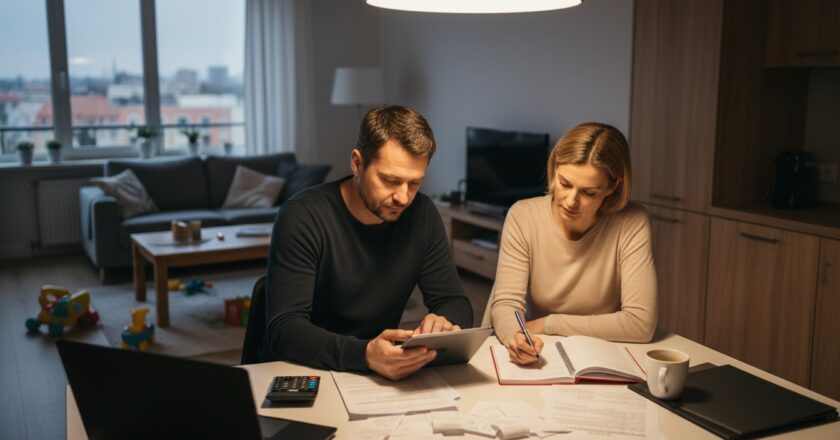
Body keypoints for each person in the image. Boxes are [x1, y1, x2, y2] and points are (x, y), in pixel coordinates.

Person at [259, 105, 473, 380]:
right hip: (304, 370)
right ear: (357, 163)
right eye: (390, 180)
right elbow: (284, 331)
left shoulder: (422, 214)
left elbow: (455, 301)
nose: (403, 198)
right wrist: (365, 355)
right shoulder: (303, 216)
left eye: (414, 183)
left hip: (376, 374)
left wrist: (445, 322)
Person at [490, 122, 657, 365]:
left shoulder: (632, 222)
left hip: (604, 355)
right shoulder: (523, 216)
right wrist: (516, 336)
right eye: (565, 183)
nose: (570, 201)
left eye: (588, 192)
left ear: (613, 186)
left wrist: (551, 323)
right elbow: (507, 304)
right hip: (545, 351)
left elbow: (640, 323)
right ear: (555, 166)